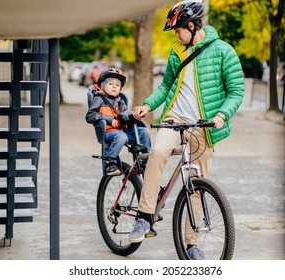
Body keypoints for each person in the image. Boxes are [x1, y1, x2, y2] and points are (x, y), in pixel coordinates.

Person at [129, 0, 245, 260]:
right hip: (175, 117)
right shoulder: (177, 52)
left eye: (178, 30)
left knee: (196, 183)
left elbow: (236, 90)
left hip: (203, 125)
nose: (177, 36)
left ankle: (192, 244)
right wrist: (148, 105)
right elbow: (165, 86)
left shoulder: (223, 51)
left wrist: (221, 114)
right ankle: (144, 215)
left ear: (191, 26)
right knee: (158, 152)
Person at [86, 68, 151, 176]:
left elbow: (125, 115)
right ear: (102, 86)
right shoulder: (99, 99)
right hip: (108, 132)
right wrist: (110, 119)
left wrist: (134, 116)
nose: (114, 86)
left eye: (117, 85)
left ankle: (145, 160)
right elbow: (90, 116)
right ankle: (110, 162)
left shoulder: (120, 101)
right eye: (110, 83)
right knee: (121, 136)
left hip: (123, 132)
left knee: (144, 132)